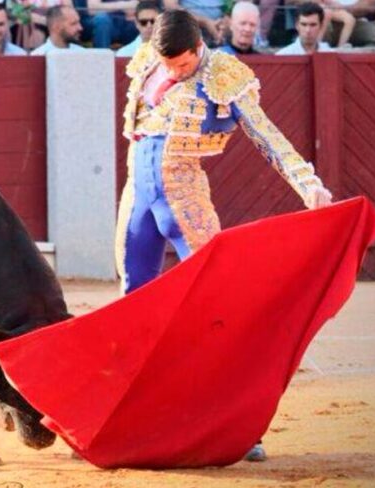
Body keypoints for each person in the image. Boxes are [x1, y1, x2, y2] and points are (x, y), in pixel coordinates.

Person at [117, 11, 333, 465]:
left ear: (198, 48)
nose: (173, 73)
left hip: (186, 199)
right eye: (167, 65)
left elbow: (265, 133)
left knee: (217, 309)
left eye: (181, 65)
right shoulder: (147, 60)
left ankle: (238, 426)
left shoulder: (225, 74)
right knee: (132, 303)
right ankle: (132, 416)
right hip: (137, 197)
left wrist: (306, 181)